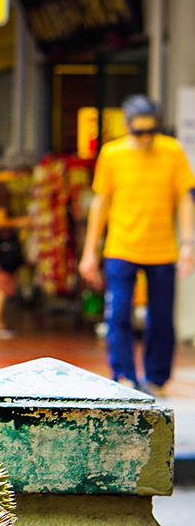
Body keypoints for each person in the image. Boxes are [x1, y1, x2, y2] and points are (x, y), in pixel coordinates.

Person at [78, 94, 195, 395]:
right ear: (127, 127)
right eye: (138, 131)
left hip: (162, 249)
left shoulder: (172, 152)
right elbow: (100, 204)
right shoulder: (112, 154)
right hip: (121, 248)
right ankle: (124, 375)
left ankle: (157, 378)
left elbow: (185, 197)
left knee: (161, 317)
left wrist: (188, 242)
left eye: (150, 131)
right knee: (117, 315)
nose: (145, 138)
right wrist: (89, 251)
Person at [0, 162, 31, 339]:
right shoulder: (1, 190)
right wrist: (22, 222)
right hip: (0, 242)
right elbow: (0, 220)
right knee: (0, 282)